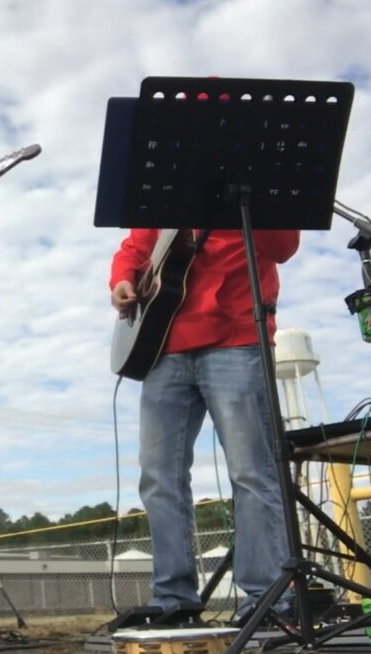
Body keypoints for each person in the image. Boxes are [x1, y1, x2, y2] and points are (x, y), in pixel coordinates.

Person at [109, 228, 299, 619]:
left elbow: (283, 247)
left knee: (251, 472)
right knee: (159, 477)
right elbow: (136, 245)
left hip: (237, 338)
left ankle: (266, 597)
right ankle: (173, 599)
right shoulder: (169, 182)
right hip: (162, 345)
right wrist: (123, 279)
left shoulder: (251, 176)